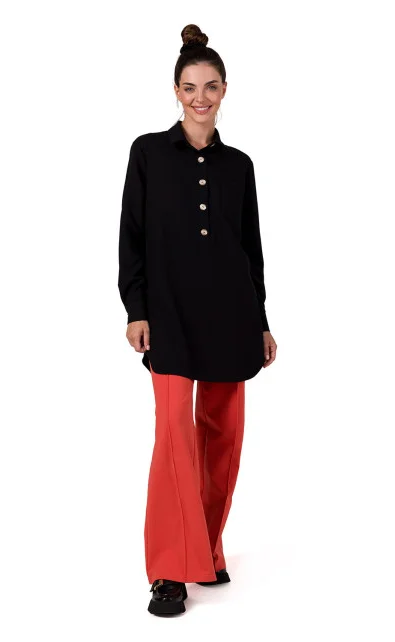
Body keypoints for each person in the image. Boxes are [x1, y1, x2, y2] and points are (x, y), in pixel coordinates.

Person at [118, 24, 278, 616]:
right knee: (174, 439)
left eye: (211, 86)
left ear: (225, 90)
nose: (200, 97)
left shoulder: (240, 165)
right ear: (176, 92)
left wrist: (261, 321)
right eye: (190, 87)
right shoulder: (147, 153)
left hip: (231, 316)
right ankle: (168, 569)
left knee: (223, 438)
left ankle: (206, 548)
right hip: (169, 317)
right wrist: (136, 309)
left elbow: (251, 250)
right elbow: (131, 235)